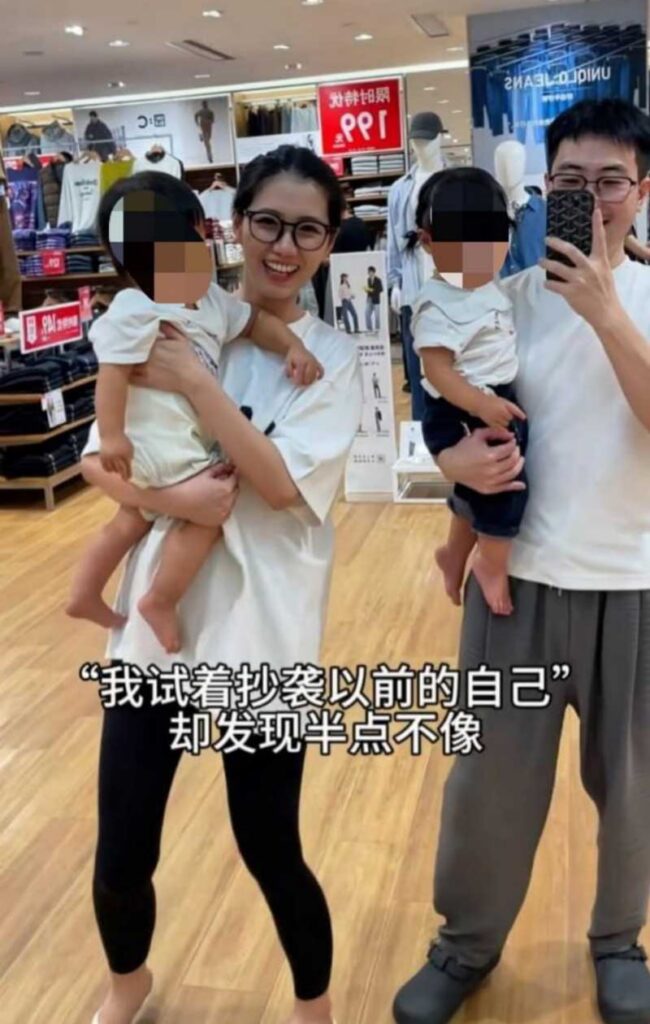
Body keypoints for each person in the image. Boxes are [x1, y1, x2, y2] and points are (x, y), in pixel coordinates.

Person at [80, 144, 362, 1024]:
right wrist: (173, 497)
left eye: (308, 230)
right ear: (232, 226)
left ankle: (313, 1008)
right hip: (154, 638)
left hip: (263, 633)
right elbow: (102, 463)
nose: (284, 246)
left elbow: (278, 485)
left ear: (329, 242)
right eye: (268, 222)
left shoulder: (330, 357)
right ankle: (127, 986)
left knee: (270, 846)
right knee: (122, 850)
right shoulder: (165, 311)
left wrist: (196, 384)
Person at [393, 98, 650, 1024]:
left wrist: (609, 313)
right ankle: (464, 944)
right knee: (489, 784)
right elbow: (458, 412)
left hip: (636, 586)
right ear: (546, 191)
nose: (592, 198)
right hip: (519, 586)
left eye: (610, 180)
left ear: (643, 189)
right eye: (570, 181)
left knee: (636, 790)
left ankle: (619, 941)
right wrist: (452, 467)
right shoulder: (501, 298)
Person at [67, 171, 322, 655]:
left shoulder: (210, 302)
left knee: (129, 520)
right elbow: (112, 372)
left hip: (167, 439)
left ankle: (83, 593)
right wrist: (114, 435)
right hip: (158, 442)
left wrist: (293, 346)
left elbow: (256, 323)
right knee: (208, 512)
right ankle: (160, 599)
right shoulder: (135, 306)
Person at [412, 167, 528, 616]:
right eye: (463, 246)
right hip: (461, 405)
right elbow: (436, 370)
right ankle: (491, 563)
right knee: (507, 484)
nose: (479, 258)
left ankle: (453, 552)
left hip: (489, 395)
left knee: (479, 485)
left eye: (491, 243)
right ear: (428, 242)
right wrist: (481, 404)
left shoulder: (485, 285)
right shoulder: (437, 302)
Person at [365, 266, 383, 332]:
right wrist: (367, 290)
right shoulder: (368, 279)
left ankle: (377, 328)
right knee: (367, 313)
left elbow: (381, 289)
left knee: (377, 315)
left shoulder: (378, 280)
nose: (369, 273)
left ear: (373, 272)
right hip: (369, 299)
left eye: (370, 272)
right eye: (368, 272)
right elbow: (369, 289)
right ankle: (369, 328)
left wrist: (373, 290)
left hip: (376, 299)